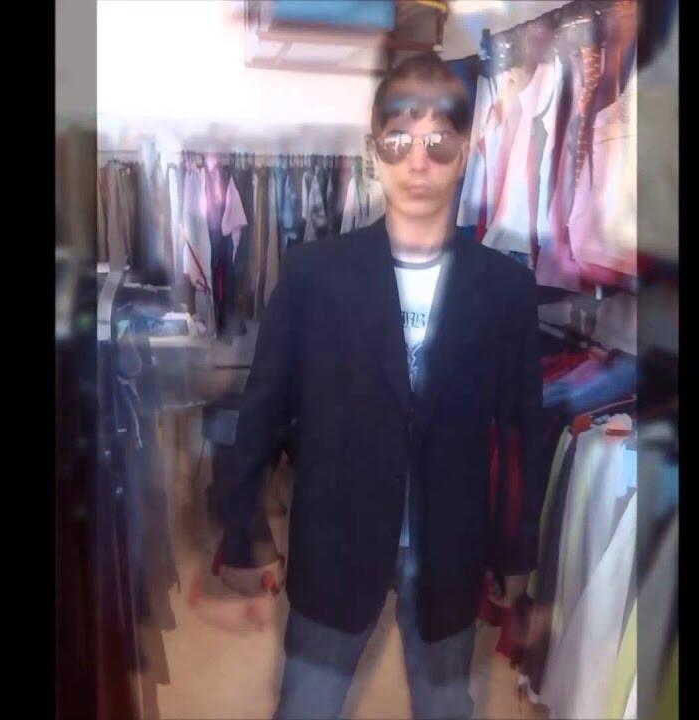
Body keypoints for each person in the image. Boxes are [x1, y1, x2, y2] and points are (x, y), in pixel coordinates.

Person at [213, 51, 547, 720]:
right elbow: (264, 409)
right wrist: (244, 531)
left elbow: (521, 430)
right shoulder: (314, 275)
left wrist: (516, 549)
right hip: (336, 541)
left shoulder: (505, 287)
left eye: (438, 142)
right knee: (306, 704)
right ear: (375, 151)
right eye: (398, 140)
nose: (418, 162)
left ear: (465, 151)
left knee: (446, 704)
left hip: (450, 547)